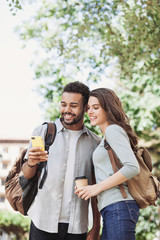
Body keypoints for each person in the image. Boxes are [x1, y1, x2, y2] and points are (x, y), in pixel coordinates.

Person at [22, 81, 101, 240]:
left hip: (77, 226)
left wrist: (97, 225)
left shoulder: (95, 143)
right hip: (42, 221)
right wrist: (31, 162)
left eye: (73, 105)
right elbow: (27, 174)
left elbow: (95, 189)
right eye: (63, 104)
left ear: (85, 108)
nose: (66, 110)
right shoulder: (43, 132)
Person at [76, 88, 140, 240]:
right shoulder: (105, 137)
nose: (90, 112)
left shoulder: (113, 130)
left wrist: (95, 188)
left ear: (108, 108)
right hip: (112, 209)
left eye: (96, 108)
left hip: (118, 206)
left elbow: (132, 167)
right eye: (88, 108)